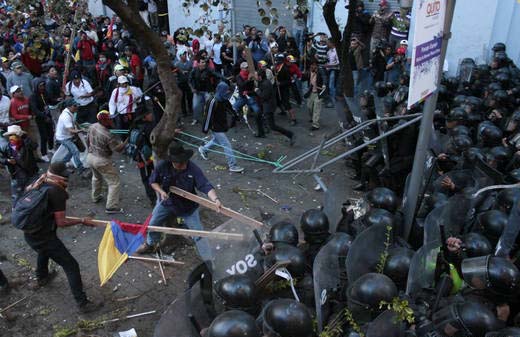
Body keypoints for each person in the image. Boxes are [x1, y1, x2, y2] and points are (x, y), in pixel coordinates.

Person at [22, 161, 101, 313]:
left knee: (43, 251)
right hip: (43, 236)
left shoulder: (40, 180)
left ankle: (42, 278)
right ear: (58, 176)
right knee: (71, 266)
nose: (66, 179)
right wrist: (82, 220)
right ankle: (83, 304)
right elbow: (62, 222)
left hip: (31, 233)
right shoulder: (56, 191)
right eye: (64, 175)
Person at [136, 142, 222, 260]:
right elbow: (153, 181)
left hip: (188, 207)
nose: (182, 165)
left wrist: (215, 199)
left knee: (199, 234)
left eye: (183, 162)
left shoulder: (193, 169)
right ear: (172, 161)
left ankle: (208, 259)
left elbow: (205, 185)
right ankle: (150, 244)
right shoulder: (163, 166)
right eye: (179, 163)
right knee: (153, 224)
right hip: (167, 202)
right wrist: (161, 192)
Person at [86, 110, 127, 214]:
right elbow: (117, 149)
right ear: (105, 121)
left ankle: (95, 197)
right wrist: (126, 141)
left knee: (96, 177)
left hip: (90, 156)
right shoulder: (108, 134)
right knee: (114, 182)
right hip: (102, 160)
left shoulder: (92, 126)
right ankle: (111, 207)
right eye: (110, 120)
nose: (112, 121)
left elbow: (87, 141)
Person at [198, 82, 245, 173]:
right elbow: (208, 116)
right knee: (226, 144)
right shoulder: (212, 101)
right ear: (220, 91)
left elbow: (230, 109)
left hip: (222, 124)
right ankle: (233, 165)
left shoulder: (224, 99)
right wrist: (205, 129)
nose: (227, 93)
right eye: (225, 91)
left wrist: (236, 116)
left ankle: (203, 149)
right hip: (215, 126)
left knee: (217, 141)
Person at [0, 125, 39, 204]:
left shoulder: (26, 144)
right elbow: (1, 159)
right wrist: (7, 161)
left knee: (33, 196)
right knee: (16, 198)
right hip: (17, 177)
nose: (12, 138)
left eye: (14, 135)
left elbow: (35, 146)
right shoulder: (7, 147)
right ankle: (16, 213)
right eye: (10, 135)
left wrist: (24, 136)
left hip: (31, 174)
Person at [255, 69, 294, 144]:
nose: (255, 76)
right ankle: (261, 133)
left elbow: (263, 96)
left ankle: (290, 134)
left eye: (256, 75)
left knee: (272, 126)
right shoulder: (262, 82)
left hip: (268, 107)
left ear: (260, 76)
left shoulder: (266, 84)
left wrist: (257, 91)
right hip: (264, 105)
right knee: (257, 115)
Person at [53, 99, 87, 173]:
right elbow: (71, 130)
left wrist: (80, 127)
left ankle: (62, 165)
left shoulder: (70, 112)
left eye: (76, 105)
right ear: (69, 106)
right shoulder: (66, 116)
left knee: (71, 152)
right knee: (75, 151)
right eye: (74, 106)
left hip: (68, 136)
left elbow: (74, 122)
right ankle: (80, 169)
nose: (76, 107)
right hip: (63, 138)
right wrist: (81, 131)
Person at [30, 79, 54, 162]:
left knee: (51, 133)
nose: (42, 87)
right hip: (40, 118)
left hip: (48, 115)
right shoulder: (33, 96)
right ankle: (44, 154)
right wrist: (44, 116)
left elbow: (50, 101)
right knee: (44, 136)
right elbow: (35, 110)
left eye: (43, 85)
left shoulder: (45, 92)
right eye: (40, 86)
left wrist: (57, 100)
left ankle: (51, 148)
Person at [233, 62, 262, 126]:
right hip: (242, 97)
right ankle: (232, 123)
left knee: (257, 110)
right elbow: (241, 85)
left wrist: (255, 77)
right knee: (234, 109)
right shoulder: (239, 76)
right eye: (246, 68)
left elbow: (255, 84)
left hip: (250, 96)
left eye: (248, 67)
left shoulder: (251, 74)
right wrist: (248, 79)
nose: (247, 69)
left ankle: (261, 123)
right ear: (242, 69)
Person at [305, 62, 325, 131]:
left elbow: (324, 77)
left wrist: (324, 84)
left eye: (313, 65)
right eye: (311, 65)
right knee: (309, 107)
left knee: (316, 108)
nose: (312, 66)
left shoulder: (321, 71)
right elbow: (304, 77)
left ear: (316, 66)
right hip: (311, 92)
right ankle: (312, 118)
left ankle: (315, 124)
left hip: (318, 93)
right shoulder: (309, 72)